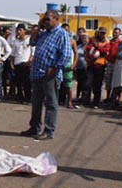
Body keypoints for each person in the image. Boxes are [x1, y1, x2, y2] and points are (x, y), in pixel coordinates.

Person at [20, 10, 73, 140]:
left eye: (48, 19)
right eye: (44, 19)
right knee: (36, 102)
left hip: (50, 74)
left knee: (50, 103)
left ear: (56, 20)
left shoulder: (62, 34)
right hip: (37, 72)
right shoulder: (43, 33)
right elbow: (32, 42)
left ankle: (49, 131)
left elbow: (66, 55)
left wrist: (54, 67)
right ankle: (34, 127)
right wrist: (38, 27)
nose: (46, 22)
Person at [84, 27, 111, 108]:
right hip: (91, 64)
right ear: (98, 32)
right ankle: (86, 101)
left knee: (98, 85)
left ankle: (96, 102)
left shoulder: (106, 41)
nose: (102, 34)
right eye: (101, 32)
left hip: (100, 65)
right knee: (88, 84)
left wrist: (97, 47)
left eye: (103, 33)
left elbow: (105, 50)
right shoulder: (92, 39)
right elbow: (88, 47)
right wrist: (94, 48)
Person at [10, 24, 34, 104]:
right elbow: (13, 54)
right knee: (18, 83)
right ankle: (20, 97)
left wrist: (29, 62)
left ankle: (28, 98)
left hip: (26, 64)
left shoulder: (29, 40)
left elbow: (33, 53)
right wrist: (12, 64)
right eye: (17, 30)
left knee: (27, 83)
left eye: (20, 30)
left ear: (24, 31)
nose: (18, 32)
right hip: (17, 64)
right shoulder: (15, 41)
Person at [103, 27, 122, 105]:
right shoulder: (109, 42)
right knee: (108, 81)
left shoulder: (121, 43)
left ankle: (118, 99)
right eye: (114, 32)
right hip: (110, 63)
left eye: (117, 32)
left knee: (117, 82)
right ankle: (108, 97)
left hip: (117, 64)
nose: (115, 34)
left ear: (119, 34)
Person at [74, 28, 89, 102]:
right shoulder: (78, 46)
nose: (84, 39)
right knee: (79, 83)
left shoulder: (89, 47)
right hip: (79, 67)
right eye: (83, 38)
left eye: (85, 38)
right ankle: (77, 97)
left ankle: (84, 98)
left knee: (85, 84)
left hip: (87, 68)